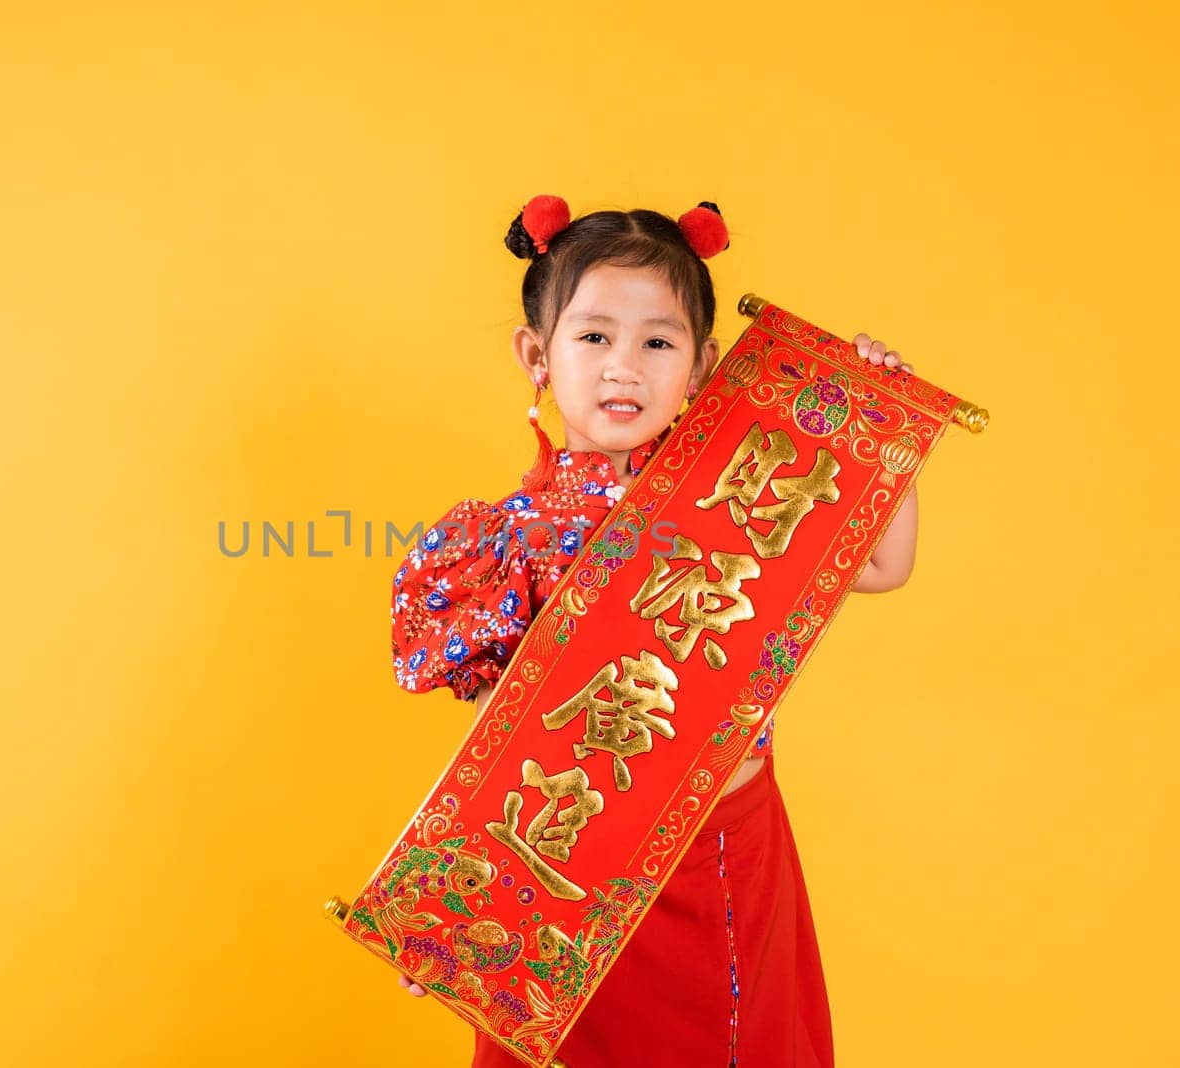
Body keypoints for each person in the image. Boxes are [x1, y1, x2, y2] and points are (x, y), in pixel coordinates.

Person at [386, 195, 919, 1067]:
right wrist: (445, 906)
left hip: (721, 851)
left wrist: (876, 426)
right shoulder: (499, 546)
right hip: (568, 872)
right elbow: (495, 746)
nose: (624, 368)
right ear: (537, 354)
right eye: (594, 337)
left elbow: (881, 563)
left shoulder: (737, 499)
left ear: (704, 366)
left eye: (658, 342)